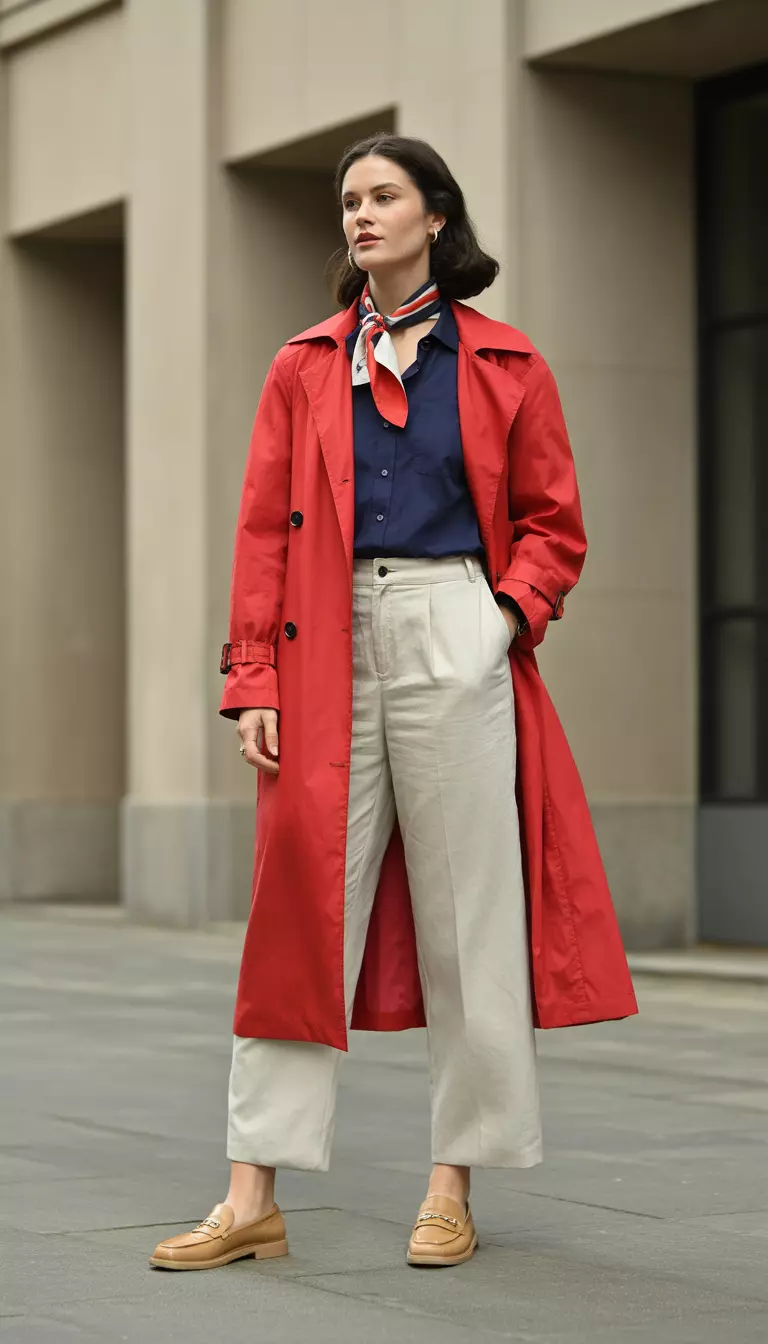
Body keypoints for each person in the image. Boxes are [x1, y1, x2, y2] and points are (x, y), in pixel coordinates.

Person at [149, 133, 637, 1273]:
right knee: (297, 905)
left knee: (471, 911)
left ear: (435, 217)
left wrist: (499, 623)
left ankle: (451, 1185)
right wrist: (251, 678)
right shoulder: (304, 362)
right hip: (323, 635)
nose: (361, 215)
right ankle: (249, 1194)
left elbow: (556, 527)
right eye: (350, 201)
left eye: (384, 197)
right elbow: (262, 529)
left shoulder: (509, 363)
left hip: (452, 625)